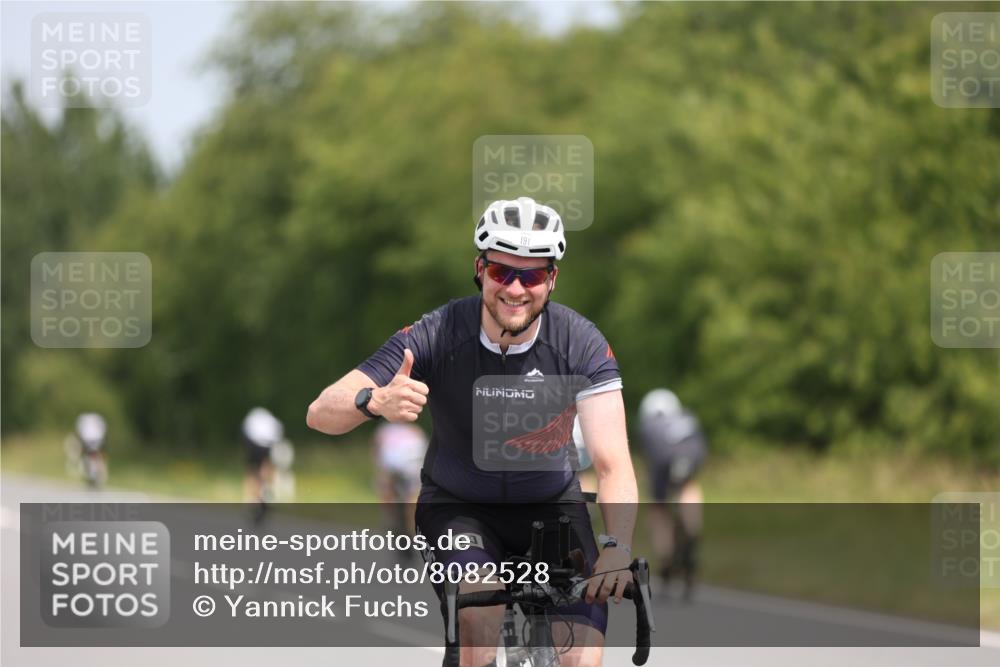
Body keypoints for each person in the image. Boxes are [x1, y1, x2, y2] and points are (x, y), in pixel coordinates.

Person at [307, 196, 638, 667]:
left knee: (583, 657)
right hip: (459, 510)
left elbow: (613, 463)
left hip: (551, 509)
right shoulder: (438, 333)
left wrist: (618, 547)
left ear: (553, 279)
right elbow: (320, 411)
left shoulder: (579, 343)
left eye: (533, 275)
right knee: (482, 612)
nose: (517, 289)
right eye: (503, 273)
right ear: (480, 270)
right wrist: (374, 401)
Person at [638, 388, 708, 601]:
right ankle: (692, 529)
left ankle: (666, 560)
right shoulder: (687, 416)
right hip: (692, 453)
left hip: (662, 459)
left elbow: (650, 461)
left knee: (659, 511)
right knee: (688, 486)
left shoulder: (648, 426)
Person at [373, 421, 428, 558]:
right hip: (391, 472)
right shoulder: (385, 431)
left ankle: (412, 533)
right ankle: (393, 523)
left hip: (412, 472)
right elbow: (377, 452)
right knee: (388, 497)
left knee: (412, 505)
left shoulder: (415, 431)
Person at [242, 407, 284, 520]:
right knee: (266, 467)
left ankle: (253, 498)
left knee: (252, 471)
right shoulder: (271, 422)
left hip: (254, 441)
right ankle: (266, 491)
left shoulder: (253, 420)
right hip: (267, 442)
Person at [73, 412, 108, 488]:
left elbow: (79, 431)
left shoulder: (83, 418)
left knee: (88, 455)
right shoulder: (97, 417)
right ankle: (98, 473)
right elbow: (104, 428)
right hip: (97, 438)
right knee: (97, 455)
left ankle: (94, 473)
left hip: (88, 439)